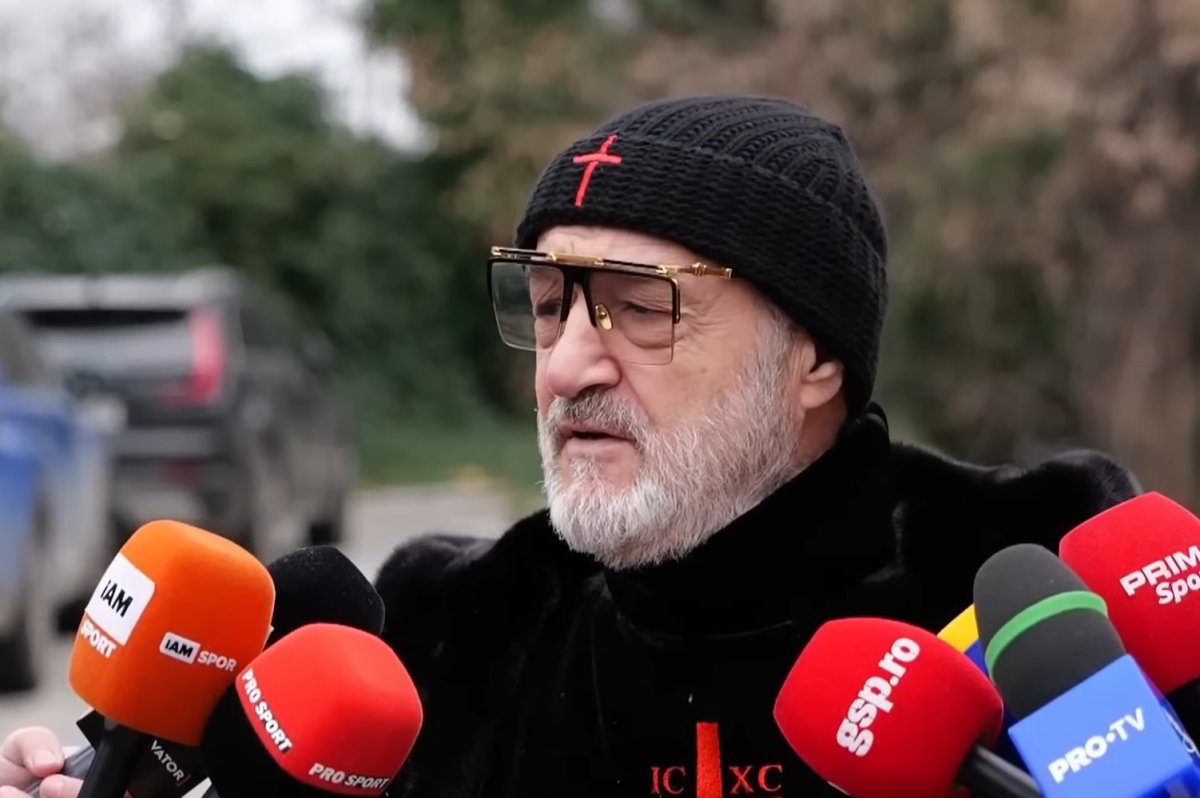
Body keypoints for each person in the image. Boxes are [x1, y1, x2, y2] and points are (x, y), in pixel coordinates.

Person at [0, 95, 1141, 797]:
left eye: (640, 306)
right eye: (549, 306)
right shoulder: (444, 637)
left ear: (815, 357)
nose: (568, 366)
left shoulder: (1044, 599)